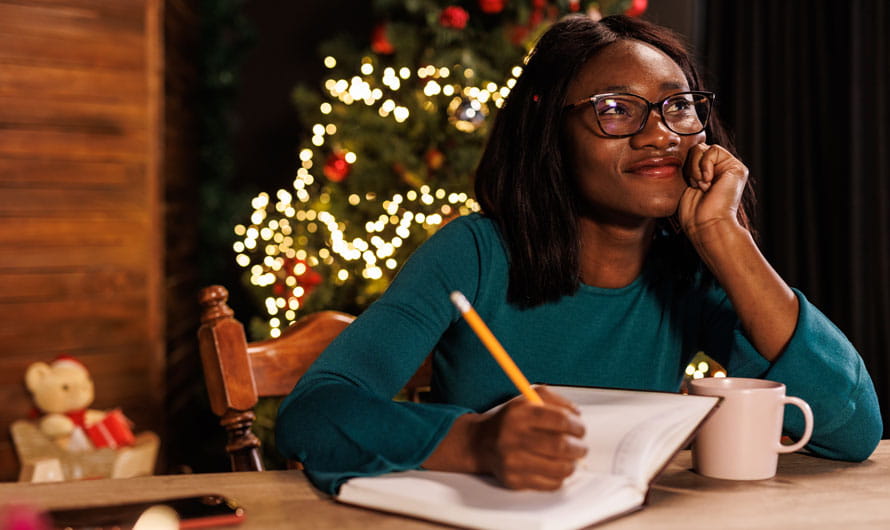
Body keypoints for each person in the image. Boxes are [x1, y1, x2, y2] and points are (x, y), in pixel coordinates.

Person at [276, 14, 883, 495]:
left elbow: (853, 429)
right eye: (614, 109)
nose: (660, 134)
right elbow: (313, 414)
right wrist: (476, 444)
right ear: (552, 136)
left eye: (678, 105)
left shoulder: (693, 267)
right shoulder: (475, 253)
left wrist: (726, 237)